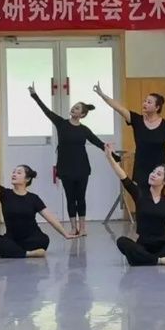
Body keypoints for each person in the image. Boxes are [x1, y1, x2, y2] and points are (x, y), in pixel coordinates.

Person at [29, 82, 118, 236]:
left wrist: (115, 156)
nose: (73, 109)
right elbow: (46, 111)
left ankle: (82, 228)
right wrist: (34, 95)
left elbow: (99, 143)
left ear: (82, 115)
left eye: (77, 108)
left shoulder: (84, 130)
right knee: (70, 198)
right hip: (65, 168)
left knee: (80, 198)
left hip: (82, 168)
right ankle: (73, 227)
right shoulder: (61, 123)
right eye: (74, 107)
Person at [93, 81, 165, 186]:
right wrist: (102, 95)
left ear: (157, 107)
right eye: (145, 101)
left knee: (157, 198)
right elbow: (118, 108)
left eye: (149, 102)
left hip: (159, 169)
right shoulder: (136, 120)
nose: (145, 103)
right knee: (141, 198)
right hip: (141, 168)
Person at [0, 150, 76, 258]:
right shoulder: (4, 194)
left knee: (44, 239)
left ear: (27, 179)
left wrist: (65, 234)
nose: (14, 174)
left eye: (18, 173)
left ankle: (16, 252)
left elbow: (50, 218)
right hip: (12, 239)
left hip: (32, 239)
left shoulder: (33, 198)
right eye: (14, 172)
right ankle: (27, 254)